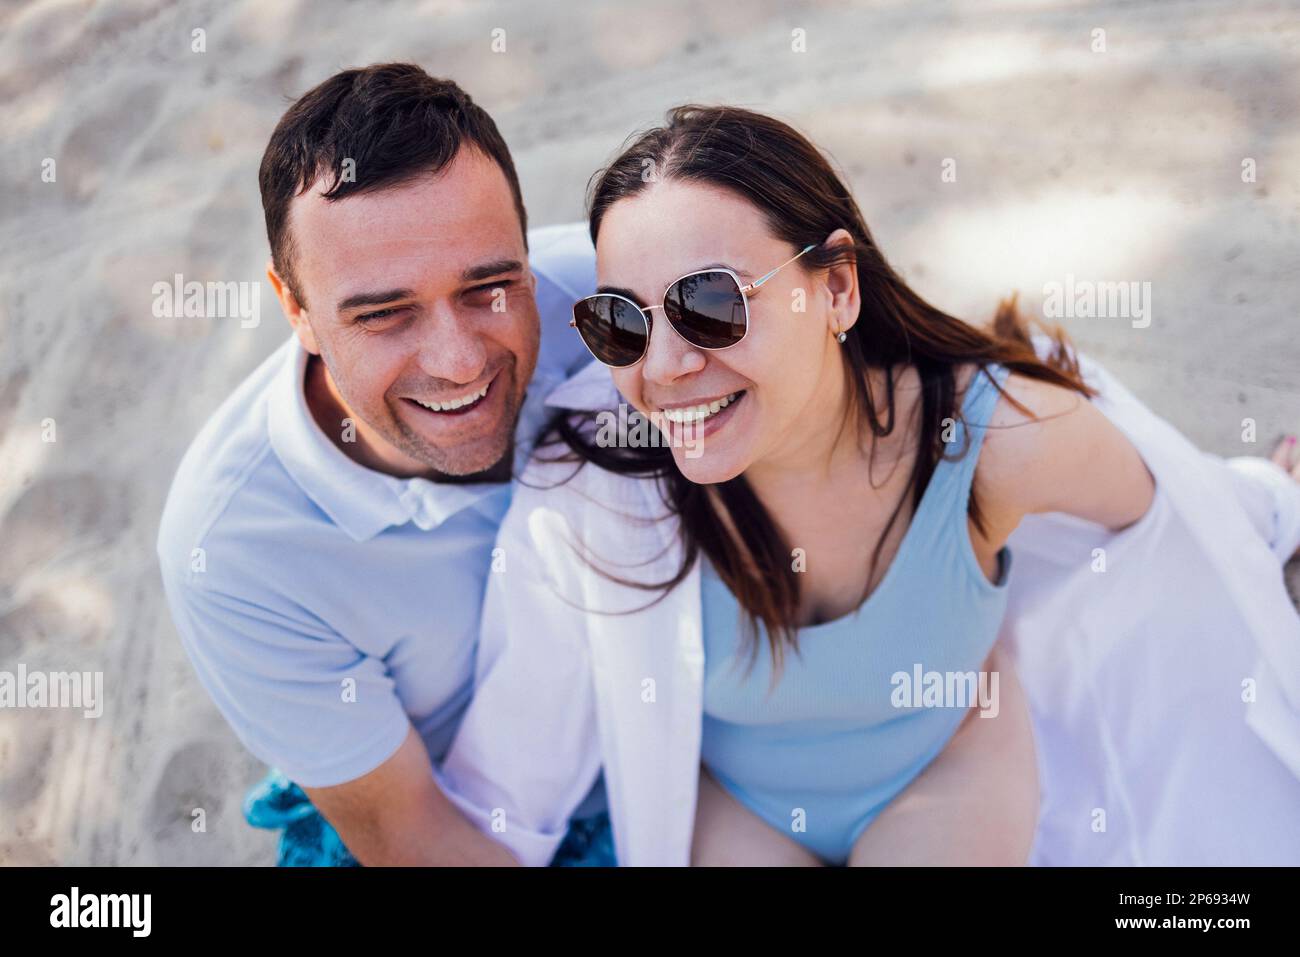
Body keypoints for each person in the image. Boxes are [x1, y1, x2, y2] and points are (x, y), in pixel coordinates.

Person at [436, 105, 1300, 866]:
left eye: (711, 303)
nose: (664, 366)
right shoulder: (598, 484)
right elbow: (516, 757)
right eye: (621, 321)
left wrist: (1269, 496)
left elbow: (1176, 525)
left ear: (837, 286)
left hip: (946, 767)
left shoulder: (998, 440)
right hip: (739, 807)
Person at [156, 63, 614, 866]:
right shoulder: (232, 547)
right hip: (432, 799)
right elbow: (415, 836)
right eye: (384, 313)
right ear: (294, 308)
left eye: (490, 286)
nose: (460, 360)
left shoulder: (609, 299)